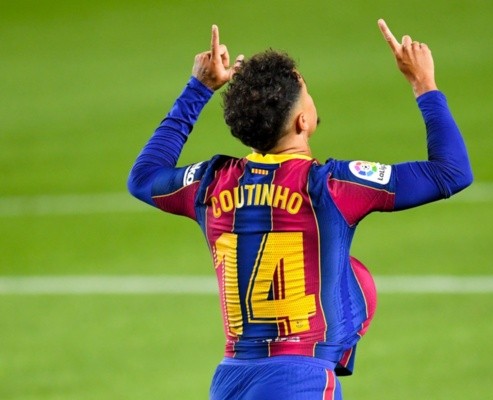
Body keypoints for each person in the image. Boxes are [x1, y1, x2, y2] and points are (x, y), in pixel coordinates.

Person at [127, 19, 472, 400]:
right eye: (306, 91)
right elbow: (451, 172)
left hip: (231, 381)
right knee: (355, 282)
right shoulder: (331, 186)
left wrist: (199, 88)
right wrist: (424, 84)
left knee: (350, 276)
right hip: (299, 381)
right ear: (302, 121)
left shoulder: (210, 183)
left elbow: (143, 177)